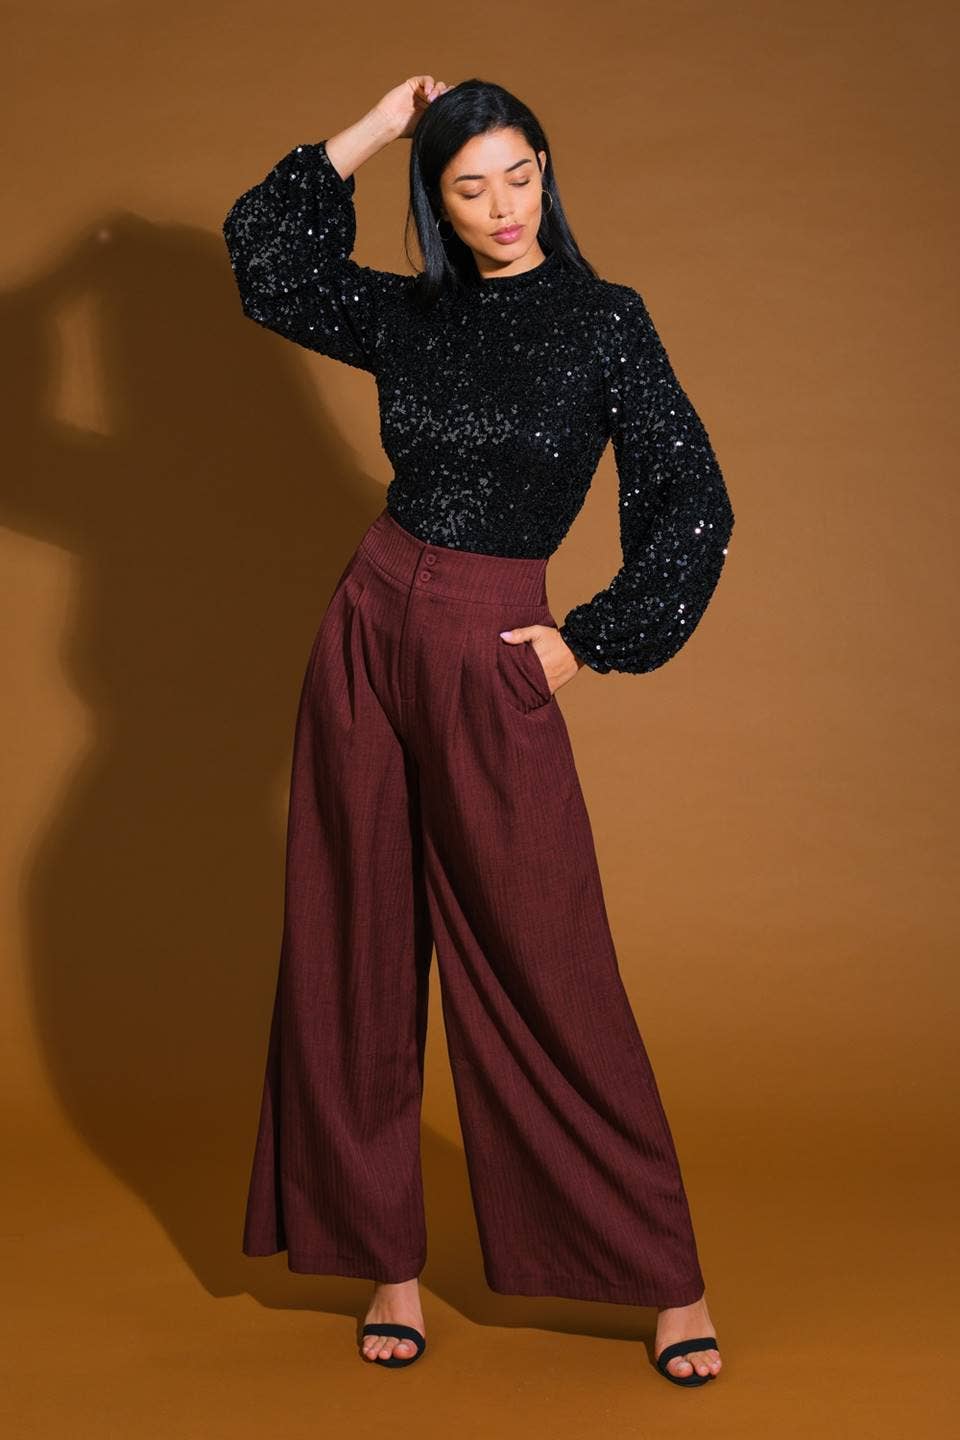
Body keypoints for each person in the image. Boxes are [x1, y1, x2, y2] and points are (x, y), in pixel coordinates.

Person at [222, 74, 734, 1388]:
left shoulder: (605, 322)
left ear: (547, 175)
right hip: (367, 622)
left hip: (490, 642)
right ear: (436, 203)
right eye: (470, 186)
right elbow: (268, 265)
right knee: (351, 939)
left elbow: (691, 498)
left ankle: (665, 1278)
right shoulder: (414, 315)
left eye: (521, 174)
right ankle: (385, 1260)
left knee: (545, 957)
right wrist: (379, 125)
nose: (505, 207)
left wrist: (590, 640)